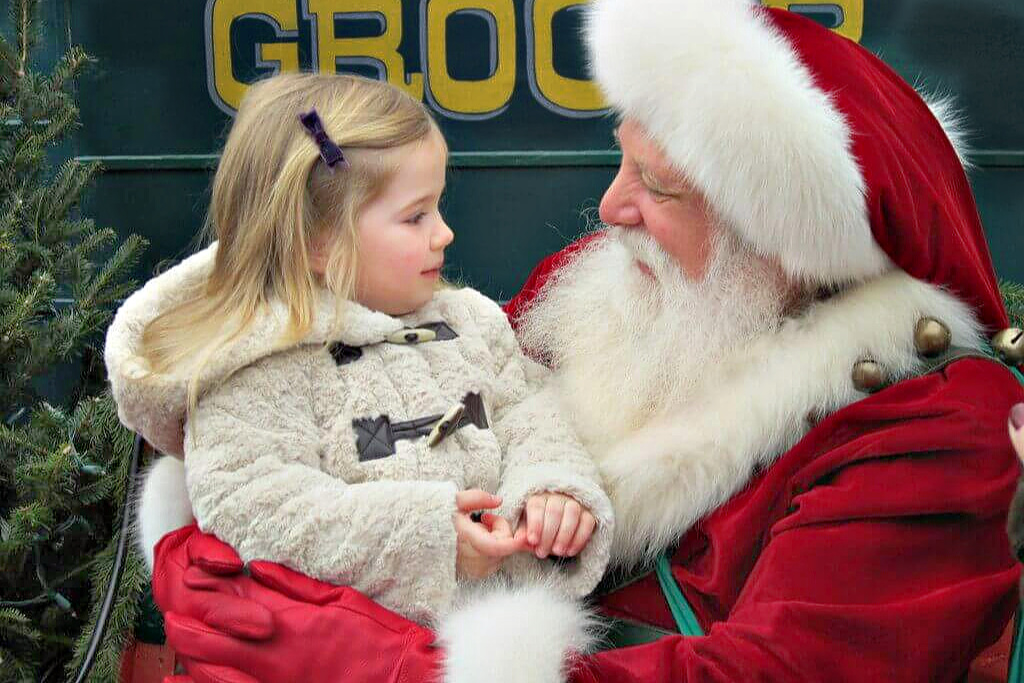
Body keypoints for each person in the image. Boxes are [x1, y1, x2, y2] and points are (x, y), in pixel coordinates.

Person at [112, 0, 1024, 681]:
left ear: (780, 239)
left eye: (660, 189)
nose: (612, 207)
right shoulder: (600, 289)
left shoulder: (930, 427)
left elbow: (782, 670)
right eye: (620, 157)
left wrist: (397, 662)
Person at [104, 72, 614, 681]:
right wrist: (426, 535)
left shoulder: (469, 324)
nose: (444, 232)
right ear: (319, 241)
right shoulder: (254, 367)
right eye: (416, 216)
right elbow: (257, 507)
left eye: (438, 206)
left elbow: (531, 412)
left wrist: (550, 489)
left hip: (484, 647)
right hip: (341, 660)